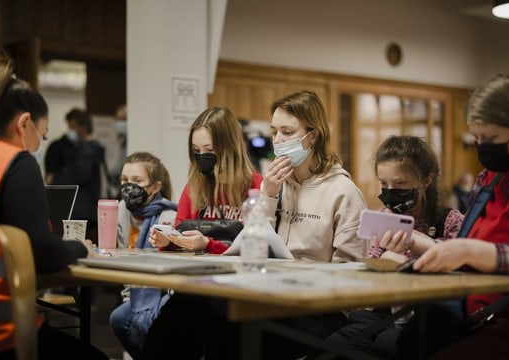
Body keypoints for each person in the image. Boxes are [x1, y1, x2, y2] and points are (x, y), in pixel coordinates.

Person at [143, 90, 369, 360]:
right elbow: (251, 242)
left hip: (317, 308)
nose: (278, 141)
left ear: (314, 135)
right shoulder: (275, 184)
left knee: (230, 328)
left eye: (287, 132)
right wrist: (269, 195)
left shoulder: (343, 192)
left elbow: (352, 280)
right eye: (274, 132)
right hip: (269, 296)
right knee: (188, 303)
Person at [0, 55, 107, 359]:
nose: (39, 144)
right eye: (43, 135)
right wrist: (80, 248)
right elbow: (41, 252)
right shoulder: (13, 162)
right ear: (24, 123)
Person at [387, 74, 509, 359]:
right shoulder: (490, 179)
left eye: (492, 138)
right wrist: (426, 250)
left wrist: (466, 250)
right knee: (407, 344)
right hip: (478, 318)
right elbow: (469, 252)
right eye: (478, 138)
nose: (483, 146)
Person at [323, 135, 464, 359]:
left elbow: (459, 269)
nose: (390, 192)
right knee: (335, 346)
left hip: (427, 313)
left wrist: (413, 253)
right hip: (384, 311)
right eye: (384, 184)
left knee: (389, 347)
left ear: (426, 180)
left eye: (400, 185)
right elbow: (373, 270)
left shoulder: (449, 220)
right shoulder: (382, 219)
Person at [149, 106, 263, 253]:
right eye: (196, 150)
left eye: (209, 150)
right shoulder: (194, 186)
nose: (202, 156)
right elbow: (181, 236)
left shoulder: (257, 186)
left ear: (230, 148)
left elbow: (258, 249)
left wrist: (208, 244)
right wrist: (167, 241)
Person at [109, 151, 177, 360]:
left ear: (155, 187)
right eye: (124, 180)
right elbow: (123, 260)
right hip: (135, 293)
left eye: (137, 181)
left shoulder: (169, 216)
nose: (129, 186)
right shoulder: (120, 209)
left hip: (164, 294)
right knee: (118, 317)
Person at [47, 108, 107, 243]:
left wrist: (55, 179)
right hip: (88, 207)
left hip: (81, 210)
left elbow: (77, 175)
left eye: (73, 127)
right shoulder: (94, 148)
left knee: (76, 244)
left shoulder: (87, 150)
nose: (70, 131)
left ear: (82, 126)